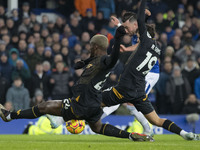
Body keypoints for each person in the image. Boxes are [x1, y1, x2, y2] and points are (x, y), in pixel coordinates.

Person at [0, 33, 152, 141]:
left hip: (82, 103)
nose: (89, 48)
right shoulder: (98, 59)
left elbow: (112, 60)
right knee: (97, 127)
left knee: (44, 106)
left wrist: (117, 39)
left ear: (96, 47)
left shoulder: (105, 60)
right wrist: (85, 62)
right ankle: (131, 136)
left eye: (91, 46)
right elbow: (96, 60)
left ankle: (10, 116)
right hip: (93, 103)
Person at [101, 0, 199, 140]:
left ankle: (82, 118)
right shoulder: (156, 48)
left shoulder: (144, 42)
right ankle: (185, 134)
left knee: (101, 100)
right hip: (139, 90)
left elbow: (137, 25)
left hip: (134, 83)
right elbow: (134, 30)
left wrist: (142, 6)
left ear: (144, 34)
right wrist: (121, 25)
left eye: (138, 35)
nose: (135, 36)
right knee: (156, 119)